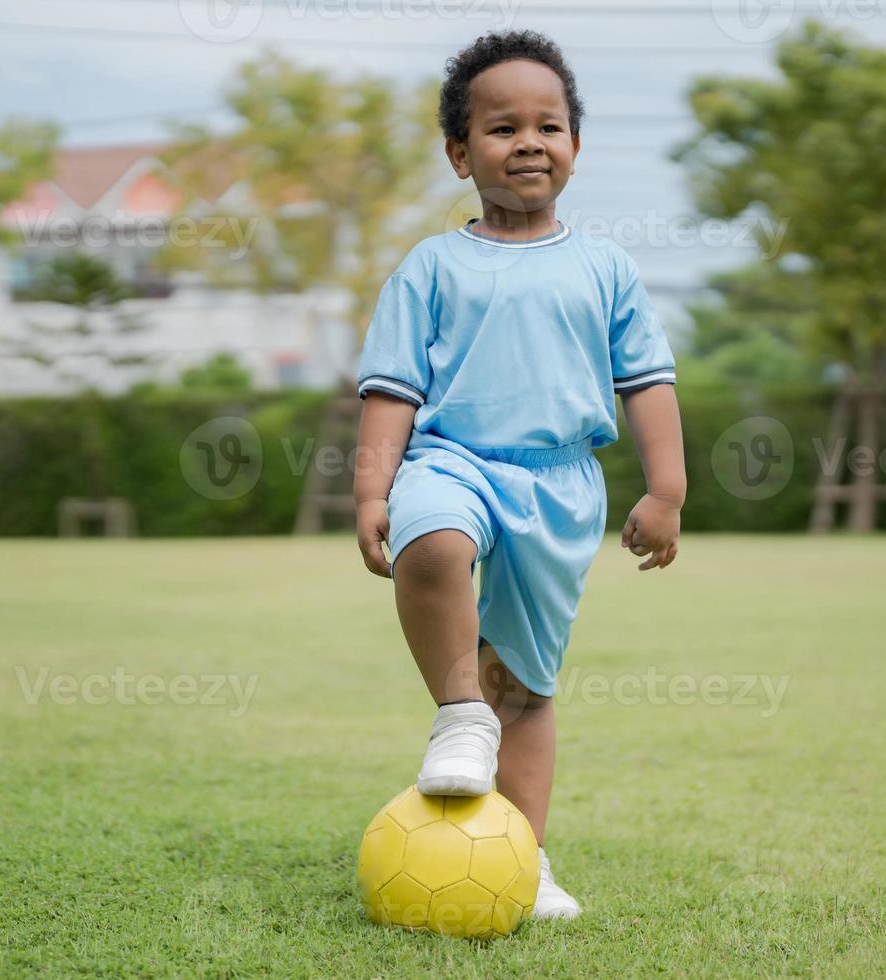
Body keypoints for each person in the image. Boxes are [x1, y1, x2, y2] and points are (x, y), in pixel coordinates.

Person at [352, 29, 685, 921]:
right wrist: (373, 488)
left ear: (575, 145)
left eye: (551, 125)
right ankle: (460, 716)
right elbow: (391, 392)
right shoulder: (430, 266)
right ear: (461, 155)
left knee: (527, 692)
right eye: (502, 128)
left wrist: (666, 489)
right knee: (434, 543)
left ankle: (523, 863)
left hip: (559, 483)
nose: (529, 141)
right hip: (452, 458)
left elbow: (647, 382)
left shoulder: (606, 265)